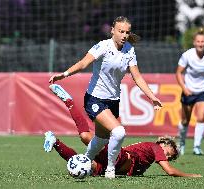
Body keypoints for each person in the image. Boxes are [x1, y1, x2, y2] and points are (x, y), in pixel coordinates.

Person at [48, 16, 162, 178]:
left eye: (127, 32)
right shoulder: (103, 46)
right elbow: (83, 63)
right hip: (95, 99)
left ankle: (86, 160)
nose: (124, 35)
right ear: (112, 31)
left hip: (113, 101)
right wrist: (64, 74)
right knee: (119, 132)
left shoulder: (129, 49)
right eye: (121, 31)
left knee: (101, 139)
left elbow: (137, 77)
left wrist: (152, 97)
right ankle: (110, 169)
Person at [44, 84, 202, 178]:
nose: (168, 155)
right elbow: (170, 171)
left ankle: (55, 142)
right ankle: (69, 101)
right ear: (163, 142)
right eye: (170, 151)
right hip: (116, 157)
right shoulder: (155, 148)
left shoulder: (145, 164)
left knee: (83, 165)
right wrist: (191, 175)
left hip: (111, 165)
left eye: (171, 157)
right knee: (86, 137)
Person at [176, 28, 204, 155]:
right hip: (188, 91)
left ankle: (197, 146)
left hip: (203, 91)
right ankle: (182, 143)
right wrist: (184, 88)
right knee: (185, 121)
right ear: (194, 43)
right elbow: (178, 73)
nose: (201, 44)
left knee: (201, 117)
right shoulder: (187, 55)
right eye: (198, 41)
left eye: (203, 42)